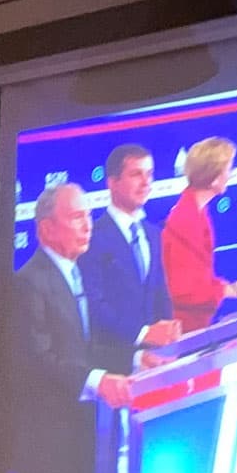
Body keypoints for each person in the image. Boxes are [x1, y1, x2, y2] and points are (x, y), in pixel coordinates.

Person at [0, 184, 136, 473]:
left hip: (83, 440)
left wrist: (136, 357)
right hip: (49, 449)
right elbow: (37, 358)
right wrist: (98, 381)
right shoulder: (27, 283)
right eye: (76, 217)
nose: (88, 225)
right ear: (46, 228)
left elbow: (88, 346)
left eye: (88, 215)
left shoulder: (77, 273)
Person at [80, 143, 182, 366]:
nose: (146, 182)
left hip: (156, 361)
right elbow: (95, 306)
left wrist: (169, 333)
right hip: (113, 363)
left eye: (150, 174)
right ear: (112, 183)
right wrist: (143, 333)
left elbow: (159, 292)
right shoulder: (93, 238)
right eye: (136, 174)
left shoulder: (153, 234)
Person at [161, 137, 237, 331]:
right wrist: (225, 290)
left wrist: (222, 287)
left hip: (196, 323)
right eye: (228, 169)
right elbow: (182, 289)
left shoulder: (198, 212)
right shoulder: (185, 219)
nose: (231, 175)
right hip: (184, 330)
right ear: (214, 176)